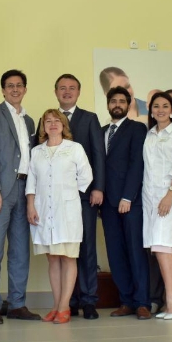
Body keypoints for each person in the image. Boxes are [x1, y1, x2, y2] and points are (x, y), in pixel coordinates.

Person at [0, 70, 41, 324]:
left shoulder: (29, 121)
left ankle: (17, 304)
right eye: (10, 85)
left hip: (24, 190)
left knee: (20, 250)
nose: (15, 89)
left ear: (25, 89)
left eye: (19, 85)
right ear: (3, 90)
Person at [26, 110, 93, 324]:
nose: (53, 124)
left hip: (67, 211)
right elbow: (31, 181)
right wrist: (30, 205)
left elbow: (86, 176)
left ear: (64, 125)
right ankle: (55, 305)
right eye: (48, 121)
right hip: (43, 211)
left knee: (68, 256)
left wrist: (67, 193)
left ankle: (65, 306)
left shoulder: (74, 148)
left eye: (57, 120)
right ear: (43, 127)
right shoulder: (37, 151)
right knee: (52, 258)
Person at [48, 74, 105, 319]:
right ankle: (67, 301)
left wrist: (98, 188)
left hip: (85, 196)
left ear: (79, 92)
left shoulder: (89, 118)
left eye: (72, 88)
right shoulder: (48, 119)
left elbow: (98, 154)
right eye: (62, 88)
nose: (67, 92)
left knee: (86, 246)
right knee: (63, 249)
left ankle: (89, 299)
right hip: (57, 199)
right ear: (56, 92)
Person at [100, 87, 151, 319]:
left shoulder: (137, 128)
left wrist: (128, 196)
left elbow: (137, 163)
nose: (117, 104)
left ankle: (142, 303)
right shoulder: (101, 131)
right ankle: (126, 301)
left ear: (128, 104)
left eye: (122, 101)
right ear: (108, 104)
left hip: (130, 201)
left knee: (135, 251)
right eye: (114, 101)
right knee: (115, 253)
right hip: (107, 203)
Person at [142, 92, 172, 320]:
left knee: (164, 246)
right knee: (158, 247)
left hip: (170, 195)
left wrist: (170, 194)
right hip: (150, 197)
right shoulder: (149, 134)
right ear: (151, 110)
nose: (160, 110)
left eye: (165, 106)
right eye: (156, 106)